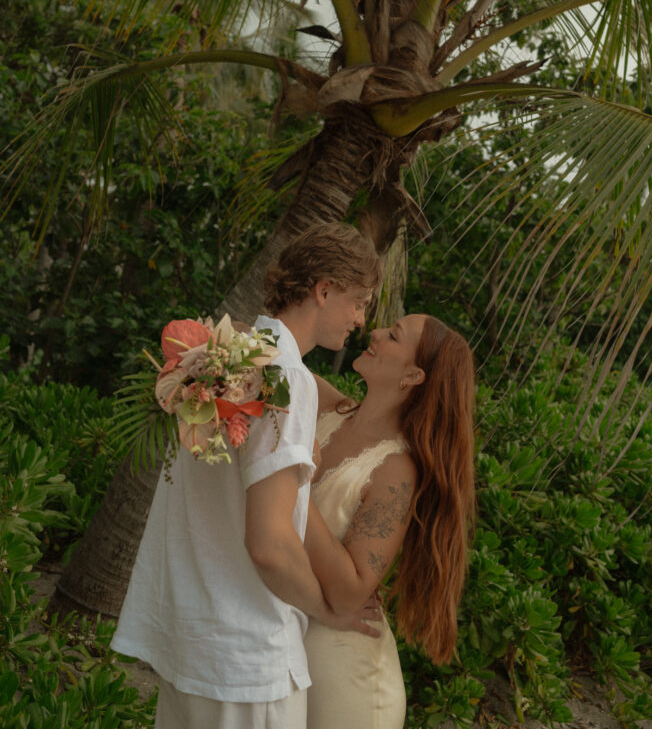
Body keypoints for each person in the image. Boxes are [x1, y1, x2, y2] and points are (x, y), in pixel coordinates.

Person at [112, 222, 383, 729]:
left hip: (190, 644)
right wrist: (327, 611)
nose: (361, 320)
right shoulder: (285, 380)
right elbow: (271, 544)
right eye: (360, 301)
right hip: (246, 661)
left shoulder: (220, 360)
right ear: (323, 289)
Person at [303, 313, 476, 729]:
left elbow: (350, 592)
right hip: (289, 649)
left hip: (344, 679)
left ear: (413, 375)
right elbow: (268, 358)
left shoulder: (396, 469)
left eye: (393, 335)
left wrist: (292, 487)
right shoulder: (329, 409)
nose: (375, 333)